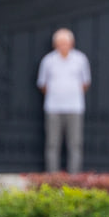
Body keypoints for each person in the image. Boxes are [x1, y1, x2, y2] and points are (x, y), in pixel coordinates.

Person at [36, 28, 91, 173]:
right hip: (53, 108)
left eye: (65, 43)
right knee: (52, 143)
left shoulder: (81, 59)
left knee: (75, 144)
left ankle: (74, 177)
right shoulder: (48, 61)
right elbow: (43, 84)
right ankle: (52, 177)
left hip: (75, 108)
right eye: (60, 43)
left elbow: (85, 83)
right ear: (55, 44)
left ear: (72, 43)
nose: (63, 46)